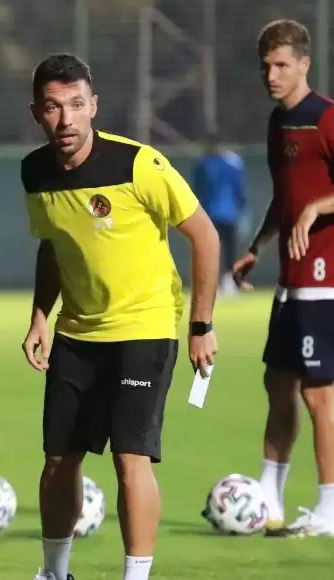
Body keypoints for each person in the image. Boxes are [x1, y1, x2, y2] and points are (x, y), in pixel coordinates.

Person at [20, 54, 220, 580]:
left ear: (94, 106)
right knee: (59, 460)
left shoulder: (139, 165)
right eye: (53, 107)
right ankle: (54, 572)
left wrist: (201, 325)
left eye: (76, 104)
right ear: (36, 113)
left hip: (144, 330)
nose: (66, 119)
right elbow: (52, 246)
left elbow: (204, 236)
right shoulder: (34, 172)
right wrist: (40, 316)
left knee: (130, 458)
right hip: (76, 333)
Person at [232, 19, 334, 538]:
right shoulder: (279, 123)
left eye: (281, 65)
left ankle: (329, 508)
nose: (271, 76)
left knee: (319, 394)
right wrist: (257, 247)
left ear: (304, 65)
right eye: (265, 66)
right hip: (291, 282)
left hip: (324, 277)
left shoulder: (327, 117)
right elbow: (285, 197)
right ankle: (267, 498)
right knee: (278, 384)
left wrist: (317, 208)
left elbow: (310, 201)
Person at [192, 133, 246, 296]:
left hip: (214, 215)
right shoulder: (233, 163)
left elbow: (197, 192)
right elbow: (240, 192)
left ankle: (221, 283)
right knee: (225, 251)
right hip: (224, 215)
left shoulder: (204, 165)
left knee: (215, 251)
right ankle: (226, 283)